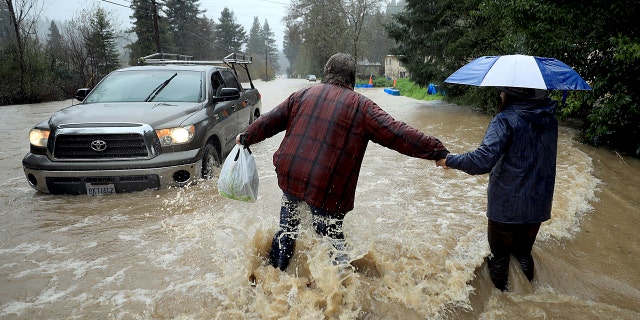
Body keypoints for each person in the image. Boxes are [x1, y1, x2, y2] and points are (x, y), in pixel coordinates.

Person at [236, 53, 449, 271]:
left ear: (326, 74)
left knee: (287, 230)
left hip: (291, 175)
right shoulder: (362, 107)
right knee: (332, 243)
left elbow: (270, 121)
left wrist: (246, 136)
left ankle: (273, 275)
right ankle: (339, 292)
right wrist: (436, 151)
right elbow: (397, 133)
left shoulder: (301, 95)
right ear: (352, 80)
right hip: (327, 185)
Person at [437, 86, 558, 291]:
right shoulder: (549, 118)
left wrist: (449, 160)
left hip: (507, 204)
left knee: (500, 259)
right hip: (539, 202)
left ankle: (502, 304)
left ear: (511, 94)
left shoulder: (504, 120)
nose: (500, 94)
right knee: (523, 254)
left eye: (502, 91)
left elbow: (483, 160)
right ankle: (530, 296)